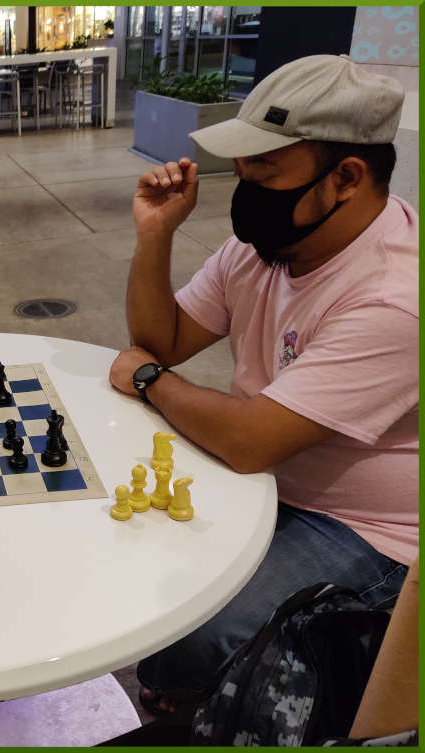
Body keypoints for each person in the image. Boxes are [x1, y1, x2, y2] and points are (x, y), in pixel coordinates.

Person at [109, 54, 416, 714]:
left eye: (265, 168)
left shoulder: (395, 297)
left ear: (347, 177)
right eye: (242, 163)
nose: (242, 182)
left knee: (198, 629)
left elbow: (247, 439)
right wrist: (155, 235)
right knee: (131, 569)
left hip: (367, 528)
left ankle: (192, 705)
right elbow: (162, 338)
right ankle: (185, 695)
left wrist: (146, 380)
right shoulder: (265, 246)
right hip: (271, 480)